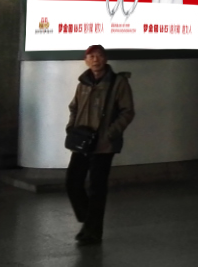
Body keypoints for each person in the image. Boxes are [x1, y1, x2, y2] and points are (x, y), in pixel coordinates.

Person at [65, 44, 135, 245]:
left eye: (99, 56)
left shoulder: (117, 82)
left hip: (104, 144)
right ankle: (89, 220)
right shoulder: (83, 83)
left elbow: (127, 111)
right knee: (72, 182)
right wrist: (72, 127)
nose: (95, 59)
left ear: (105, 59)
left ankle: (92, 232)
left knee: (97, 188)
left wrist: (110, 133)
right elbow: (74, 107)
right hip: (82, 140)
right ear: (86, 60)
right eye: (91, 56)